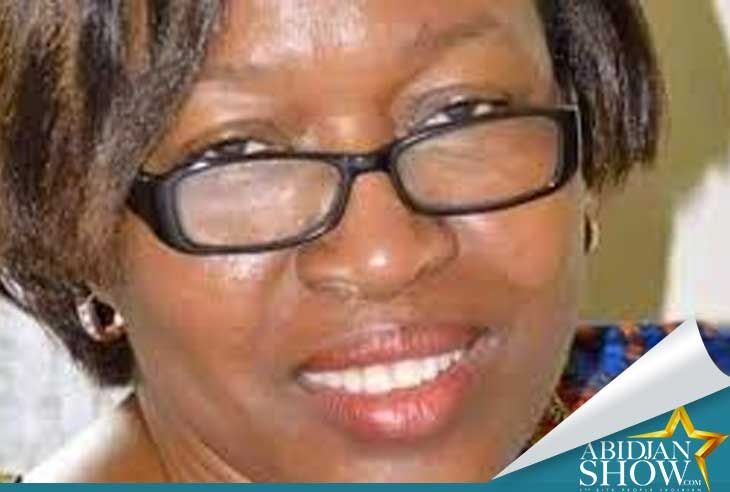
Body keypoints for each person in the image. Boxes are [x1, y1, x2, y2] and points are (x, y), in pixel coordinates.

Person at [0, 0, 663, 483]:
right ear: (77, 237)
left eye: (462, 112)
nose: (384, 257)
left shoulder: (672, 432)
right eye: (238, 153)